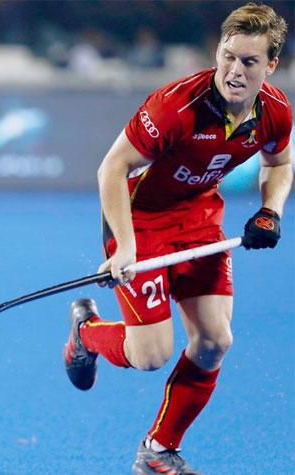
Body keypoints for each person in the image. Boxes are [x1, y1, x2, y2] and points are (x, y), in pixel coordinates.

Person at [63, 4, 292, 474]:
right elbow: (111, 167)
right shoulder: (175, 107)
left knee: (214, 340)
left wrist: (270, 211)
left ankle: (157, 450)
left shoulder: (275, 111)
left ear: (270, 66)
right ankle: (85, 333)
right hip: (138, 219)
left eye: (249, 62)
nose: (233, 70)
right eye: (228, 56)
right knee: (150, 354)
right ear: (218, 50)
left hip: (199, 218)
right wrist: (125, 247)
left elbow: (280, 163)